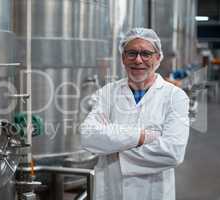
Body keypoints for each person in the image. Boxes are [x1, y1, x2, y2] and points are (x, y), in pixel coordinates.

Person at [80, 28, 190, 200]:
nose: (138, 60)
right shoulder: (108, 93)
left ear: (158, 58)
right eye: (131, 53)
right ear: (123, 58)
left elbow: (173, 152)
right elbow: (88, 136)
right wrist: (141, 136)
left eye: (146, 53)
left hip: (154, 192)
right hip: (110, 191)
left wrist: (116, 150)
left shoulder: (175, 97)